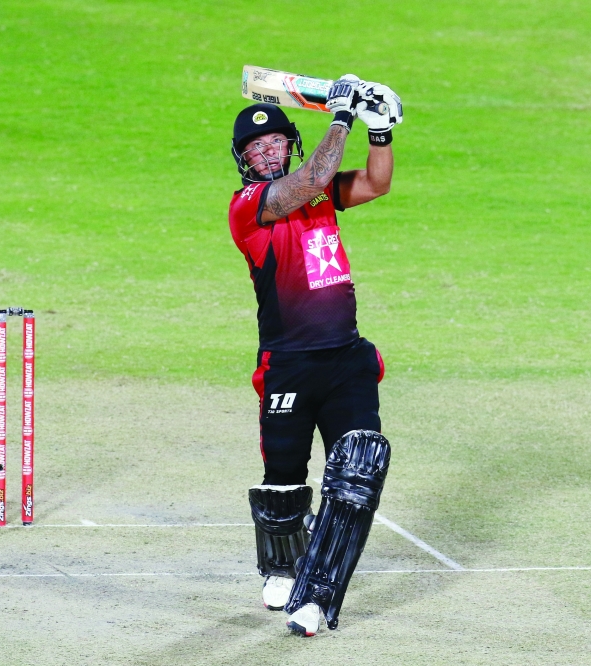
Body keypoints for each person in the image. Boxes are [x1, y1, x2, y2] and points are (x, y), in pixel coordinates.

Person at [228, 76, 402, 635]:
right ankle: (280, 570)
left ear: (289, 144)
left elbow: (376, 184)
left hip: (346, 358)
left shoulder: (320, 192)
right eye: (256, 148)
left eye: (276, 141)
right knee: (284, 474)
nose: (267, 151)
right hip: (289, 364)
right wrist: (342, 116)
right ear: (244, 162)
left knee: (358, 470)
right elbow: (315, 177)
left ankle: (318, 594)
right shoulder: (249, 207)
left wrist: (380, 130)